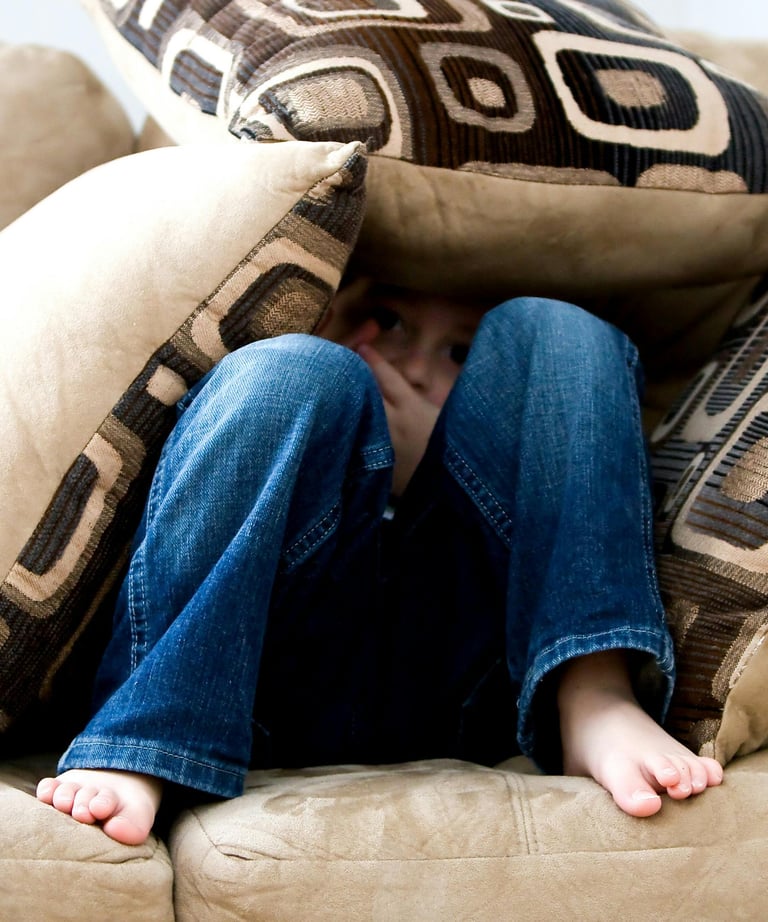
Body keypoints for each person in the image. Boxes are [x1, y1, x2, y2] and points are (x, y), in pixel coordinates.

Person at [36, 279, 723, 845]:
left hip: (470, 680)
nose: (417, 365)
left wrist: (434, 458)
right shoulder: (326, 383)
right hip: (264, 679)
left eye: (461, 352)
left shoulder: (505, 422)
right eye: (388, 322)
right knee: (289, 373)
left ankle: (591, 687)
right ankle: (150, 736)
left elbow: (535, 449)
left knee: (559, 328)